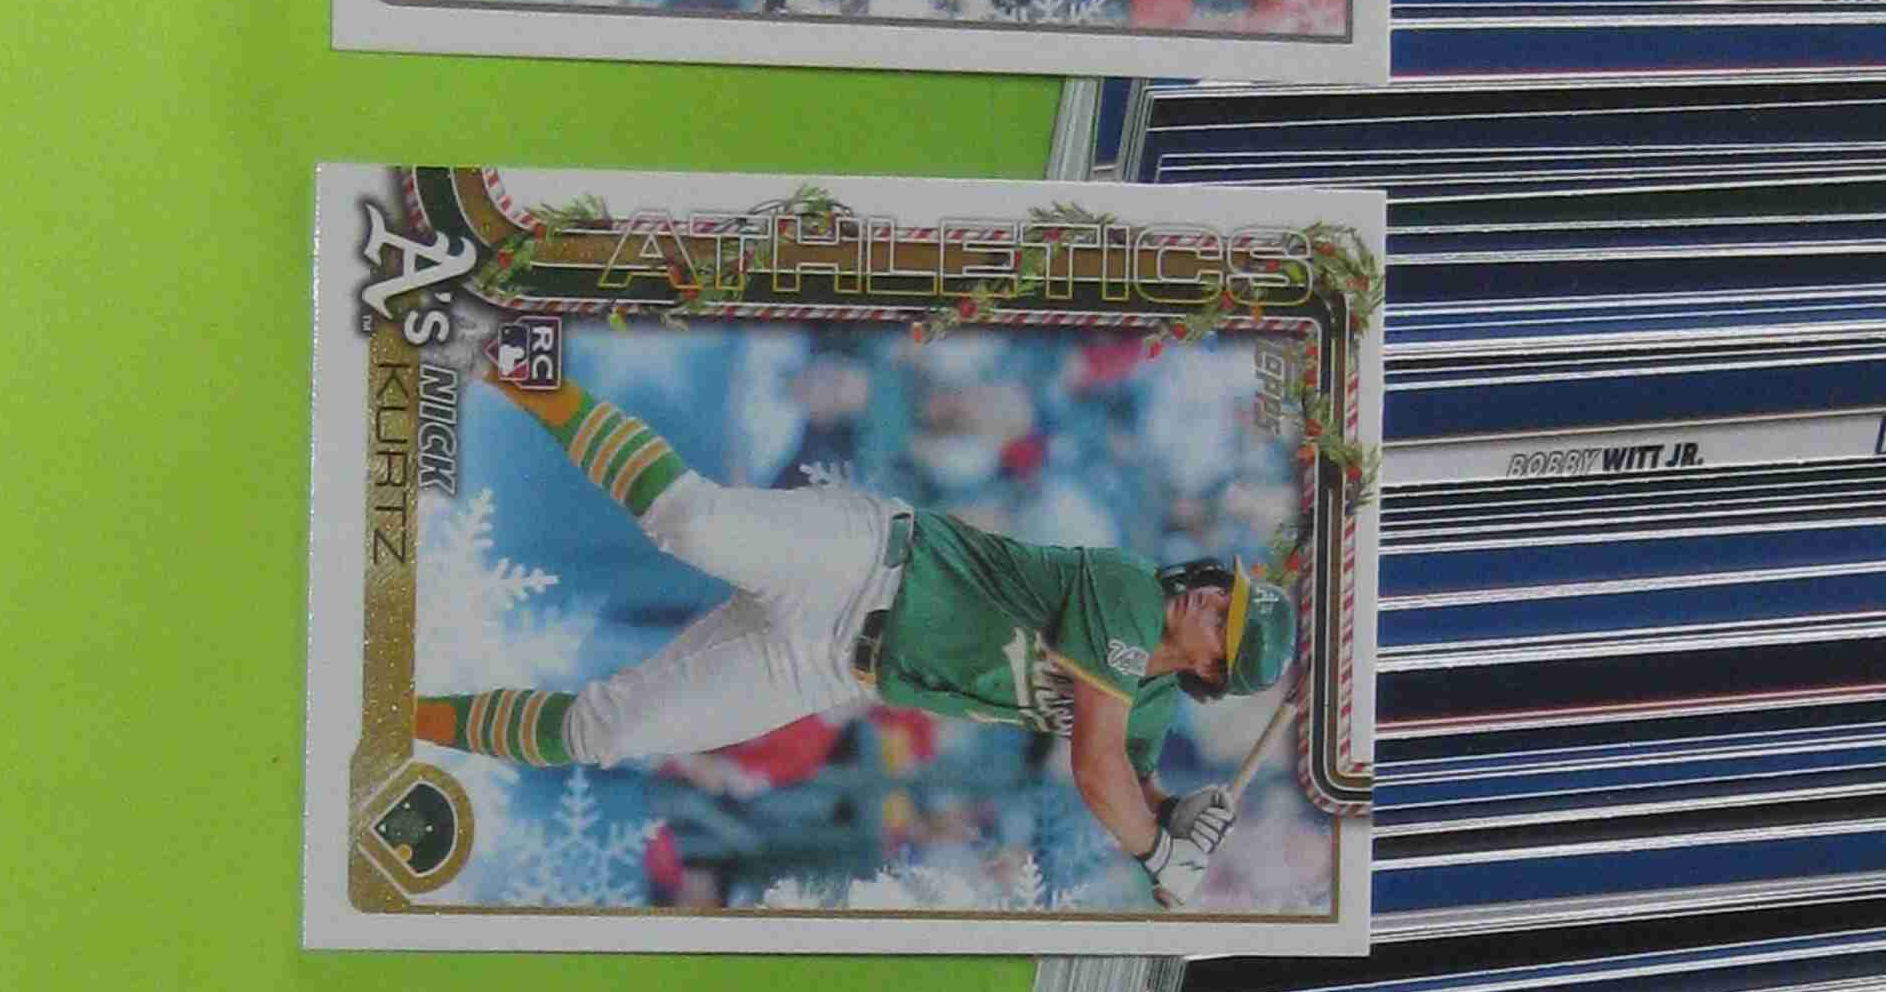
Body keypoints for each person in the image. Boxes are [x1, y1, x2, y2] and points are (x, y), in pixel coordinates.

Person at [412, 354, 1294, 907]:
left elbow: (1130, 780)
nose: (1211, 601)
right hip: (866, 558)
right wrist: (1159, 851)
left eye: (1225, 624)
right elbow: (1099, 772)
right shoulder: (1131, 593)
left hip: (831, 667)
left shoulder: (1146, 711)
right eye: (1225, 593)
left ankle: (404, 718)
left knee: (607, 732)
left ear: (1212, 672)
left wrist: (1180, 817)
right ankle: (515, 365)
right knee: (692, 520)